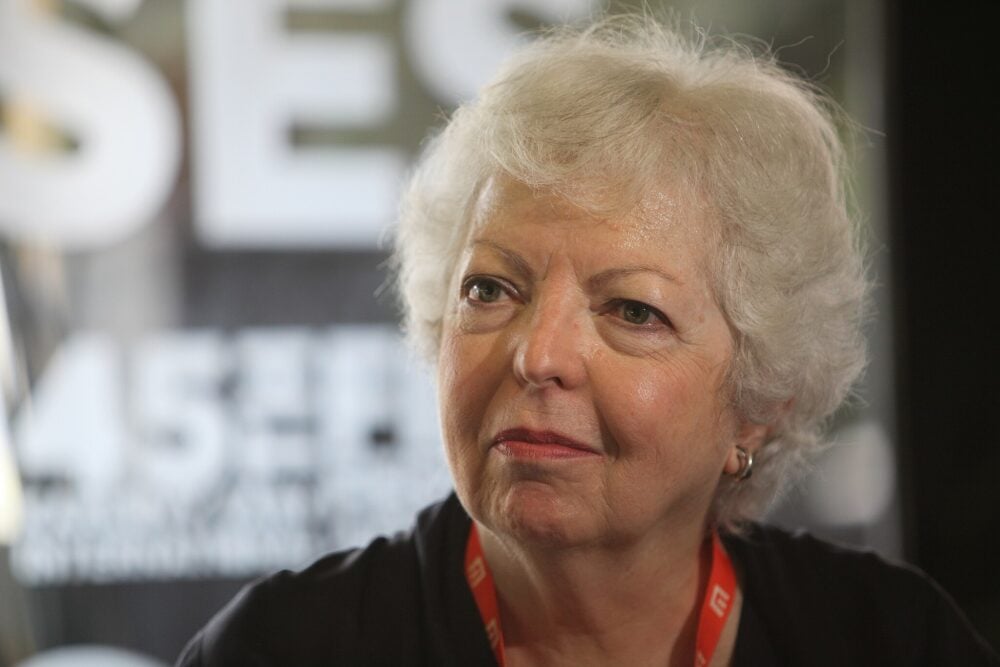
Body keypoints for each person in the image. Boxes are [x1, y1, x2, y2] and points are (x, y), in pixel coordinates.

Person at [177, 15, 998, 667]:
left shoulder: (891, 640)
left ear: (758, 403)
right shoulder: (279, 648)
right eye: (490, 289)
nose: (539, 355)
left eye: (632, 311)